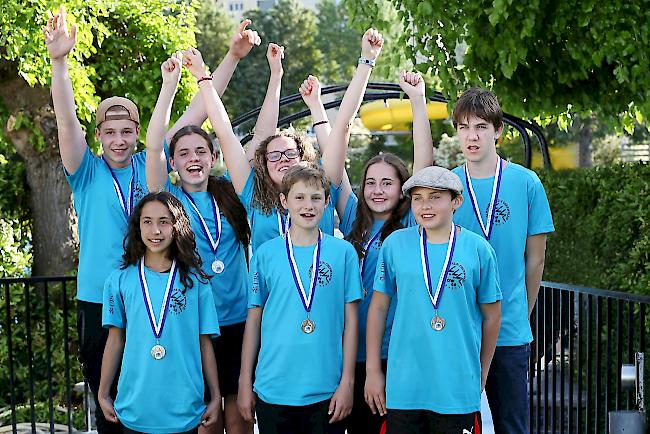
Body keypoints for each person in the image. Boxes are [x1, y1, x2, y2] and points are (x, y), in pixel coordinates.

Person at [44, 6, 256, 431]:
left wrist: (230, 58)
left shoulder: (152, 164)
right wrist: (60, 63)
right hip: (102, 299)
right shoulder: (85, 172)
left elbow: (198, 112)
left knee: (168, 402)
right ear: (99, 135)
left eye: (127, 132)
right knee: (110, 407)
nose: (119, 140)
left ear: (138, 133)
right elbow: (67, 121)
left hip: (158, 296)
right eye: (110, 132)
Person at [145, 42, 283, 434]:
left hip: (240, 321)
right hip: (195, 325)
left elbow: (262, 140)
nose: (194, 158)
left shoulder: (233, 193)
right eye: (184, 152)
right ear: (174, 163)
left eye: (201, 151)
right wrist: (170, 86)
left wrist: (275, 77)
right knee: (208, 421)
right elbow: (154, 144)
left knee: (240, 418)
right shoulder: (167, 200)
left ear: (212, 157)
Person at [299, 71, 434, 433]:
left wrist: (417, 101)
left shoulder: (410, 225)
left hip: (391, 352)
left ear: (403, 188)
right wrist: (316, 109)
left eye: (387, 183)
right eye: (371, 182)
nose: (377, 190)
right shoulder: (353, 214)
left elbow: (424, 164)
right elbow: (334, 161)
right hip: (347, 352)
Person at [179, 29, 383, 253]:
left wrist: (367, 60)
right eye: (273, 156)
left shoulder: (323, 184)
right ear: (263, 165)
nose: (282, 160)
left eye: (290, 153)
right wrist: (203, 77)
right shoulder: (252, 193)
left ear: (303, 157)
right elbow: (226, 133)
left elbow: (343, 125)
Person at [365, 166, 502, 434]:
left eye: (435, 197)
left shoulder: (478, 250)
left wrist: (482, 372)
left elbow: (492, 316)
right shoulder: (395, 244)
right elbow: (378, 308)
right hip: (404, 387)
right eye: (418, 198)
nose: (425, 205)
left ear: (456, 202)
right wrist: (373, 370)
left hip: (457, 388)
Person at [450, 88, 555, 433]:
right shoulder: (449, 186)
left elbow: (535, 260)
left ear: (497, 131)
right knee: (456, 425)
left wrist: (520, 313)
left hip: (509, 331)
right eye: (464, 127)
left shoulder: (526, 183)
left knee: (512, 425)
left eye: (480, 127)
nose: (472, 136)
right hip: (458, 331)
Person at [237, 163, 362, 434]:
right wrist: (245, 382)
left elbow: (351, 324)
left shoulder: (343, 254)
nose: (308, 205)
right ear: (284, 201)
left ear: (327, 202)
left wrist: (347, 383)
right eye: (299, 197)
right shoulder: (265, 254)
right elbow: (254, 322)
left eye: (316, 198)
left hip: (326, 390)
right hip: (273, 389)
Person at [98, 192, 221, 434]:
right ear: (138, 226)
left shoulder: (197, 283)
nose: (156, 230)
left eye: (164, 221)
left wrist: (215, 396)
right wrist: (103, 392)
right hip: (135, 409)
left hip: (184, 409)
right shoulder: (119, 281)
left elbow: (204, 342)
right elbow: (115, 339)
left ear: (177, 227)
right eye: (148, 221)